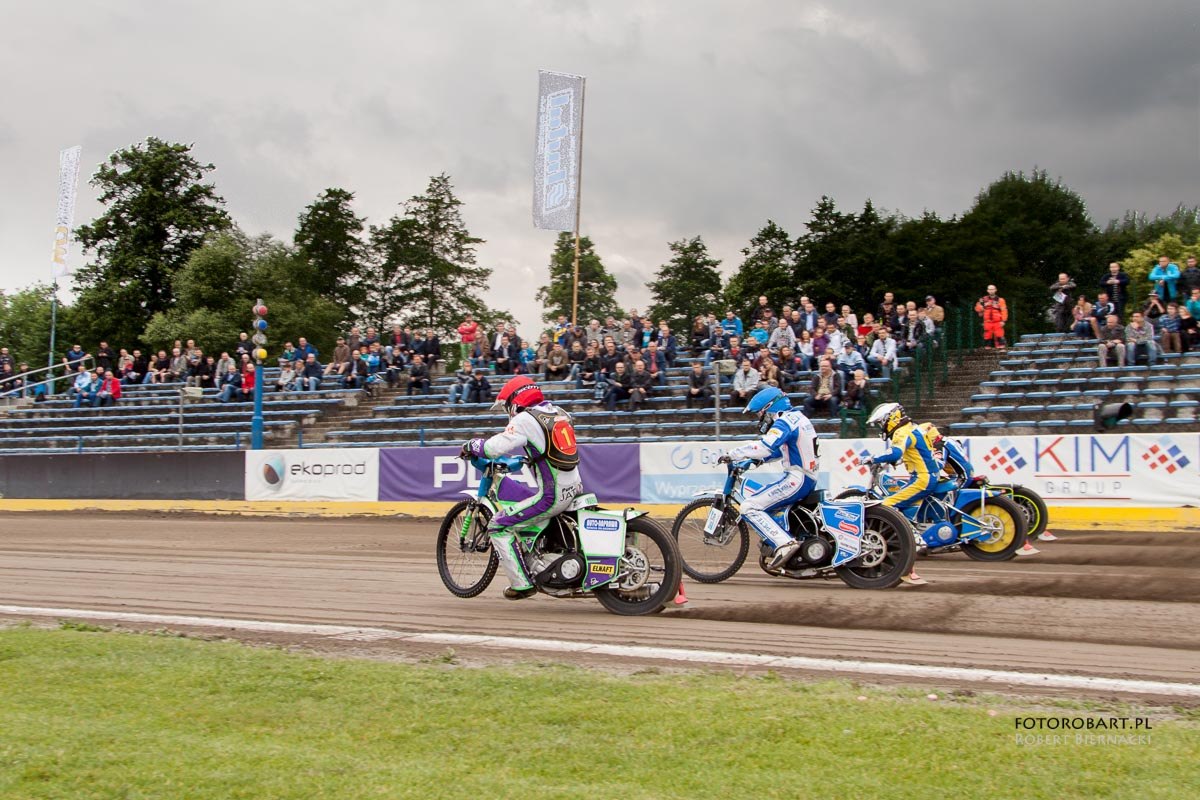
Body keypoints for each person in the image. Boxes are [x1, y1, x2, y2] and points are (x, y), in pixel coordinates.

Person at [460, 377, 582, 600]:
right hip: (575, 486)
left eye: (506, 406)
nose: (507, 411)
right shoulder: (558, 412)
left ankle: (522, 584)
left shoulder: (525, 419)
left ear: (514, 401)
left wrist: (472, 445)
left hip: (553, 495)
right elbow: (546, 447)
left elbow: (493, 448)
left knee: (498, 525)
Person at [716, 387, 819, 570]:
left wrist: (733, 454)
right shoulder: (797, 417)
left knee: (749, 506)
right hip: (805, 477)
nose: (760, 418)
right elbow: (780, 450)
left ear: (769, 408)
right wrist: (755, 460)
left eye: (760, 413)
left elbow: (765, 447)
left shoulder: (784, 422)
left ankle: (784, 544)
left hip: (797, 479)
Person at [864, 402, 938, 585]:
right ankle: (910, 558)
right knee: (905, 512)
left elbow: (896, 452)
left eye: (881, 423)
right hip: (928, 476)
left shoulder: (901, 432)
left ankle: (916, 542)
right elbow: (912, 452)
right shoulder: (913, 427)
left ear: (891, 419)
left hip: (922, 479)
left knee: (886, 507)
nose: (881, 427)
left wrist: (874, 458)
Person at [975, 285, 1008, 349]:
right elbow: (977, 308)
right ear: (987, 290)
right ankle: (987, 348)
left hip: (998, 321)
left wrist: (1003, 321)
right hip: (987, 321)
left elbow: (1004, 310)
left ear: (995, 290)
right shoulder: (983, 299)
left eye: (992, 289)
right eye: (989, 289)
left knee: (999, 334)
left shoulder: (1000, 300)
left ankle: (1001, 348)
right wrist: (982, 306)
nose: (991, 291)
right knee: (987, 335)